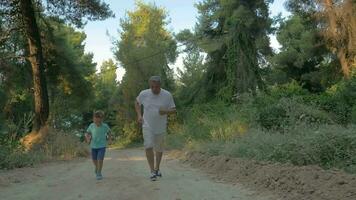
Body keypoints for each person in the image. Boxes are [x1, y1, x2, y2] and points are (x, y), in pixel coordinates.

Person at [135, 76, 176, 181]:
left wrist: (165, 112)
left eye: (156, 87)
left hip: (161, 126)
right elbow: (137, 102)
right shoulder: (144, 94)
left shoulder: (167, 95)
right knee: (148, 146)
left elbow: (174, 110)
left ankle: (157, 168)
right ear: (150, 86)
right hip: (147, 125)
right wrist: (139, 115)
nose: (154, 89)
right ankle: (152, 171)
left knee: (159, 148)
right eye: (152, 87)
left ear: (160, 86)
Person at [85, 110, 112, 180]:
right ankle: (97, 167)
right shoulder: (91, 126)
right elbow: (87, 133)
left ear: (102, 119)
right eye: (95, 120)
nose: (97, 122)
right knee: (94, 160)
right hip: (93, 146)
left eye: (99, 121)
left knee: (100, 159)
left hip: (102, 146)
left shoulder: (105, 126)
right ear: (93, 119)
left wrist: (109, 139)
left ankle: (99, 173)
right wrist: (88, 139)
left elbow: (109, 132)